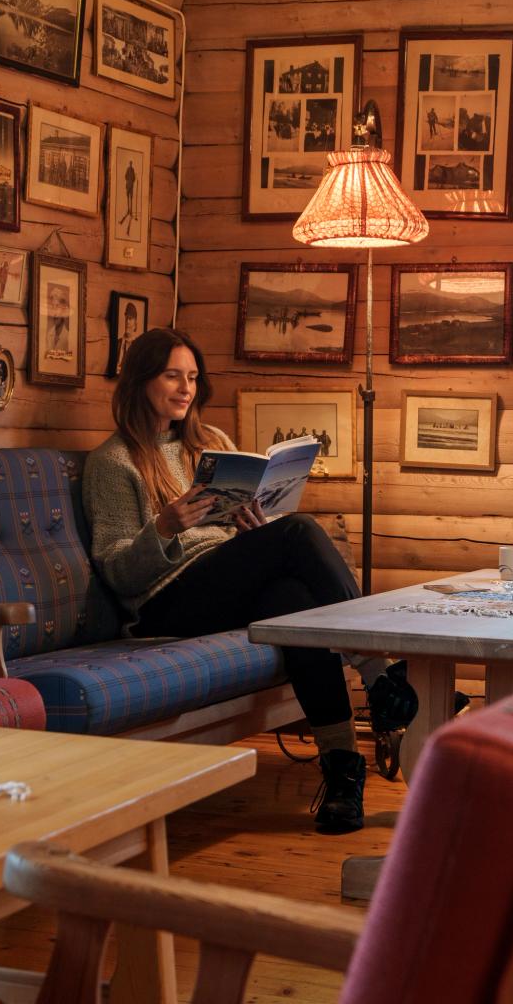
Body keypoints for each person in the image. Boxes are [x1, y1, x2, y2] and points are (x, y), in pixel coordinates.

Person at [83, 328, 419, 833]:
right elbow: (117, 570)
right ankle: (379, 672)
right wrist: (166, 527)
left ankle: (343, 774)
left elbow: (233, 528)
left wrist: (254, 527)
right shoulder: (113, 462)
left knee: (293, 602)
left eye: (193, 377)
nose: (185, 388)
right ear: (141, 380)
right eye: (173, 375)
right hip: (165, 602)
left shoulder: (210, 443)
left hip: (224, 581)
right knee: (300, 533)